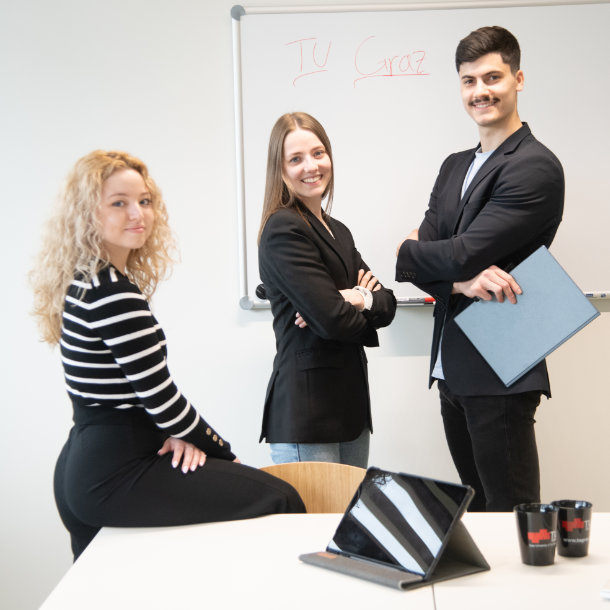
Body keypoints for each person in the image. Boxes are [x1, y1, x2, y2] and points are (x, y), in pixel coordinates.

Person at [30, 150, 305, 560]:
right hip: (112, 471)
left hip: (90, 464)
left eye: (144, 201)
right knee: (282, 498)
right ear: (87, 214)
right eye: (118, 203)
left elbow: (135, 398)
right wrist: (222, 452)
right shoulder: (113, 293)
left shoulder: (88, 280)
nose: (137, 213)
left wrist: (173, 435)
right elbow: (161, 398)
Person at [395, 26, 564, 511]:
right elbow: (423, 261)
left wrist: (418, 256)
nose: (480, 91)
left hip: (501, 367)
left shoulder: (535, 166)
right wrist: (458, 279)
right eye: (469, 81)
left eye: (492, 77)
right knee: (480, 515)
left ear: (519, 79)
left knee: (512, 515)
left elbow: (449, 250)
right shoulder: (453, 166)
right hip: (452, 368)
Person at [258, 112, 397, 467]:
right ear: (280, 168)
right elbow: (332, 320)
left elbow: (388, 302)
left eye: (318, 153)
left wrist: (359, 297)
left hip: (349, 409)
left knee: (346, 520)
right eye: (296, 158)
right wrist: (346, 308)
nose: (311, 166)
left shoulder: (339, 230)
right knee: (317, 523)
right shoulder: (283, 229)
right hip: (309, 414)